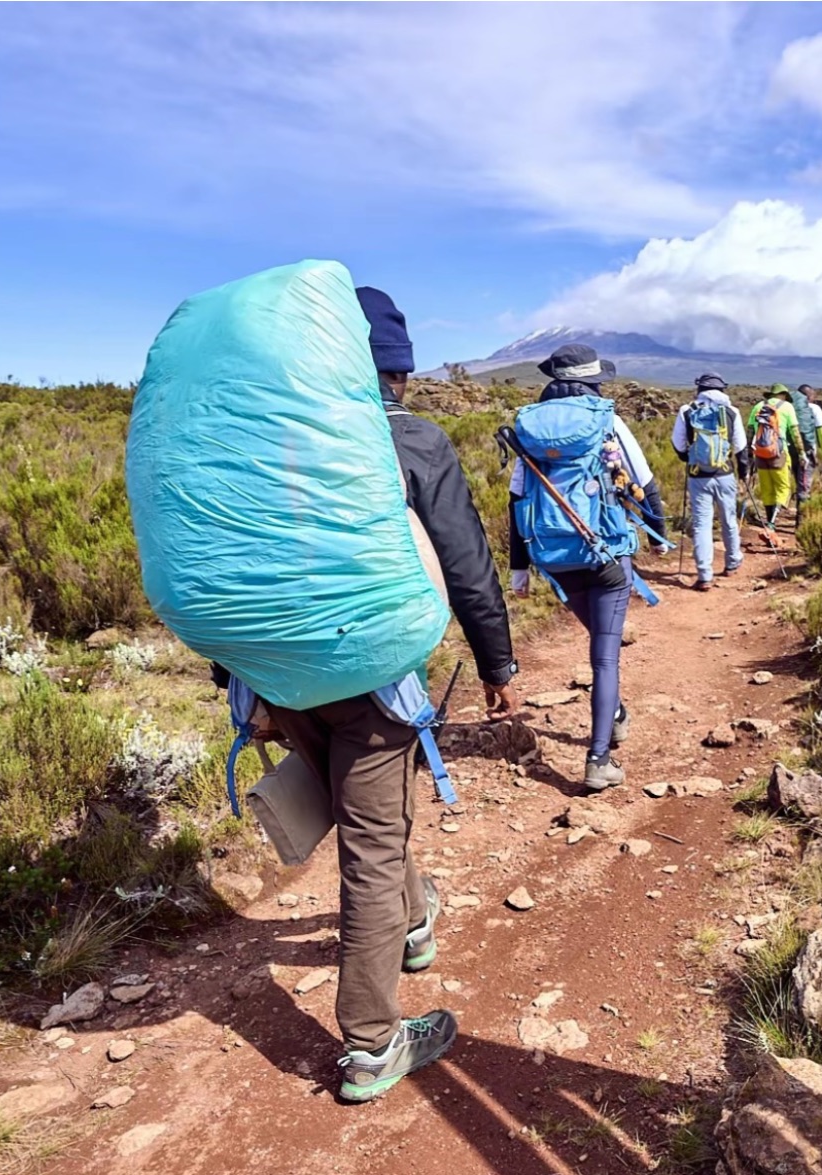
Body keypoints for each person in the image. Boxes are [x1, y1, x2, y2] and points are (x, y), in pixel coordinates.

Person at [260, 286, 520, 1104]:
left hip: (280, 673)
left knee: (368, 816)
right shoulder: (411, 442)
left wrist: (239, 678)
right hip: (370, 679)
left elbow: (235, 571)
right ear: (396, 372)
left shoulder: (271, 444)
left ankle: (413, 921)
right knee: (370, 843)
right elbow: (467, 563)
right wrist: (498, 664)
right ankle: (373, 1045)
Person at [508, 343, 668, 790]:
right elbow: (645, 482)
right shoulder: (607, 421)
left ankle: (615, 713)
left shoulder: (530, 428)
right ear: (592, 381)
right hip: (605, 552)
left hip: (555, 558)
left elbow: (517, 499)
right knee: (604, 656)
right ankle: (598, 759)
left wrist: (518, 568)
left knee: (597, 641)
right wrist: (656, 535)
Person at [671, 373, 749, 592]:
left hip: (698, 477)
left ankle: (704, 574)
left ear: (699, 389)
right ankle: (732, 562)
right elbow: (741, 447)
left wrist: (690, 458)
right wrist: (744, 473)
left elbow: (677, 444)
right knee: (729, 519)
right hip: (724, 474)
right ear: (722, 390)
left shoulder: (687, 411)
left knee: (702, 524)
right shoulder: (731, 412)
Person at [747, 384, 806, 543]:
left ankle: (769, 524)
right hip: (778, 454)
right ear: (783, 395)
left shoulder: (759, 406)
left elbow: (751, 431)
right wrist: (801, 453)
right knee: (783, 488)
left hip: (760, 454)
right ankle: (771, 525)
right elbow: (795, 433)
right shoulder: (787, 407)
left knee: (767, 489)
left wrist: (749, 456)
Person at [788, 383, 818, 503]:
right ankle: (801, 518)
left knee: (793, 480)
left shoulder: (788, 406)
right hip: (804, 451)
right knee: (804, 484)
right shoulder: (810, 409)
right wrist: (812, 449)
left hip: (788, 450)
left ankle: (772, 516)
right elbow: (807, 431)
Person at [801, 385, 822, 496]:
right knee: (805, 480)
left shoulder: (790, 407)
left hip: (788, 450)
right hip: (807, 450)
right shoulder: (814, 408)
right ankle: (802, 507)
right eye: (813, 395)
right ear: (809, 396)